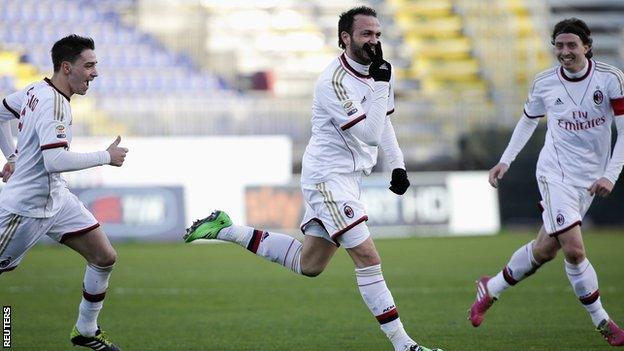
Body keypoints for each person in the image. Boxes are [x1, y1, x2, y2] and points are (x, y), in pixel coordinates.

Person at [183, 6, 442, 351]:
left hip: (349, 179)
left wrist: (397, 165)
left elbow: (385, 125)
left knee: (310, 264)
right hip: (327, 178)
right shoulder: (332, 82)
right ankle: (404, 345)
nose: (374, 41)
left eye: (378, 34)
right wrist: (380, 86)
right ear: (345, 38)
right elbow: (368, 133)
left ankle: (225, 228)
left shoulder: (380, 73)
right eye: (367, 34)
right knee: (367, 256)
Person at [469, 18, 624, 346]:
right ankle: (603, 322)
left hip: (590, 179)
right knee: (574, 249)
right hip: (555, 174)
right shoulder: (544, 83)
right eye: (559, 45)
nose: (565, 52)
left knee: (545, 249)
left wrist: (610, 173)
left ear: (586, 46)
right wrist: (505, 160)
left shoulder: (611, 80)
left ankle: (491, 287)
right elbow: (527, 123)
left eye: (571, 45)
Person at [0, 34, 128, 351]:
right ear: (67, 67)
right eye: (89, 65)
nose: (95, 72)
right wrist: (105, 157)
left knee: (104, 257)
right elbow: (54, 160)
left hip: (56, 200)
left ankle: (85, 331)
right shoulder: (53, 104)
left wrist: (13, 157)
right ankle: (6, 336)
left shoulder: (35, 90)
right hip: (25, 209)